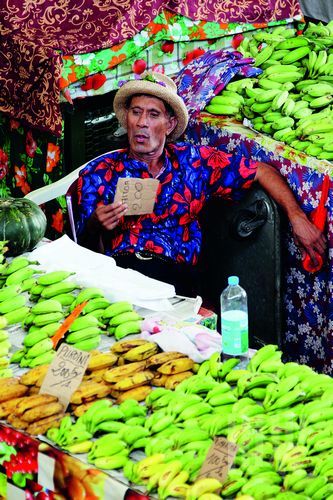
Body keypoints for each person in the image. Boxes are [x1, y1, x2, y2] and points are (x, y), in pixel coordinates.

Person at [76, 71, 326, 296]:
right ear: (126, 120)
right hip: (121, 275)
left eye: (153, 114)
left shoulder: (193, 161)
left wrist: (297, 217)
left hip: (175, 282)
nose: (142, 122)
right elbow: (87, 257)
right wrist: (95, 226)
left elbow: (262, 171)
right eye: (136, 112)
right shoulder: (99, 173)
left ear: (170, 124)